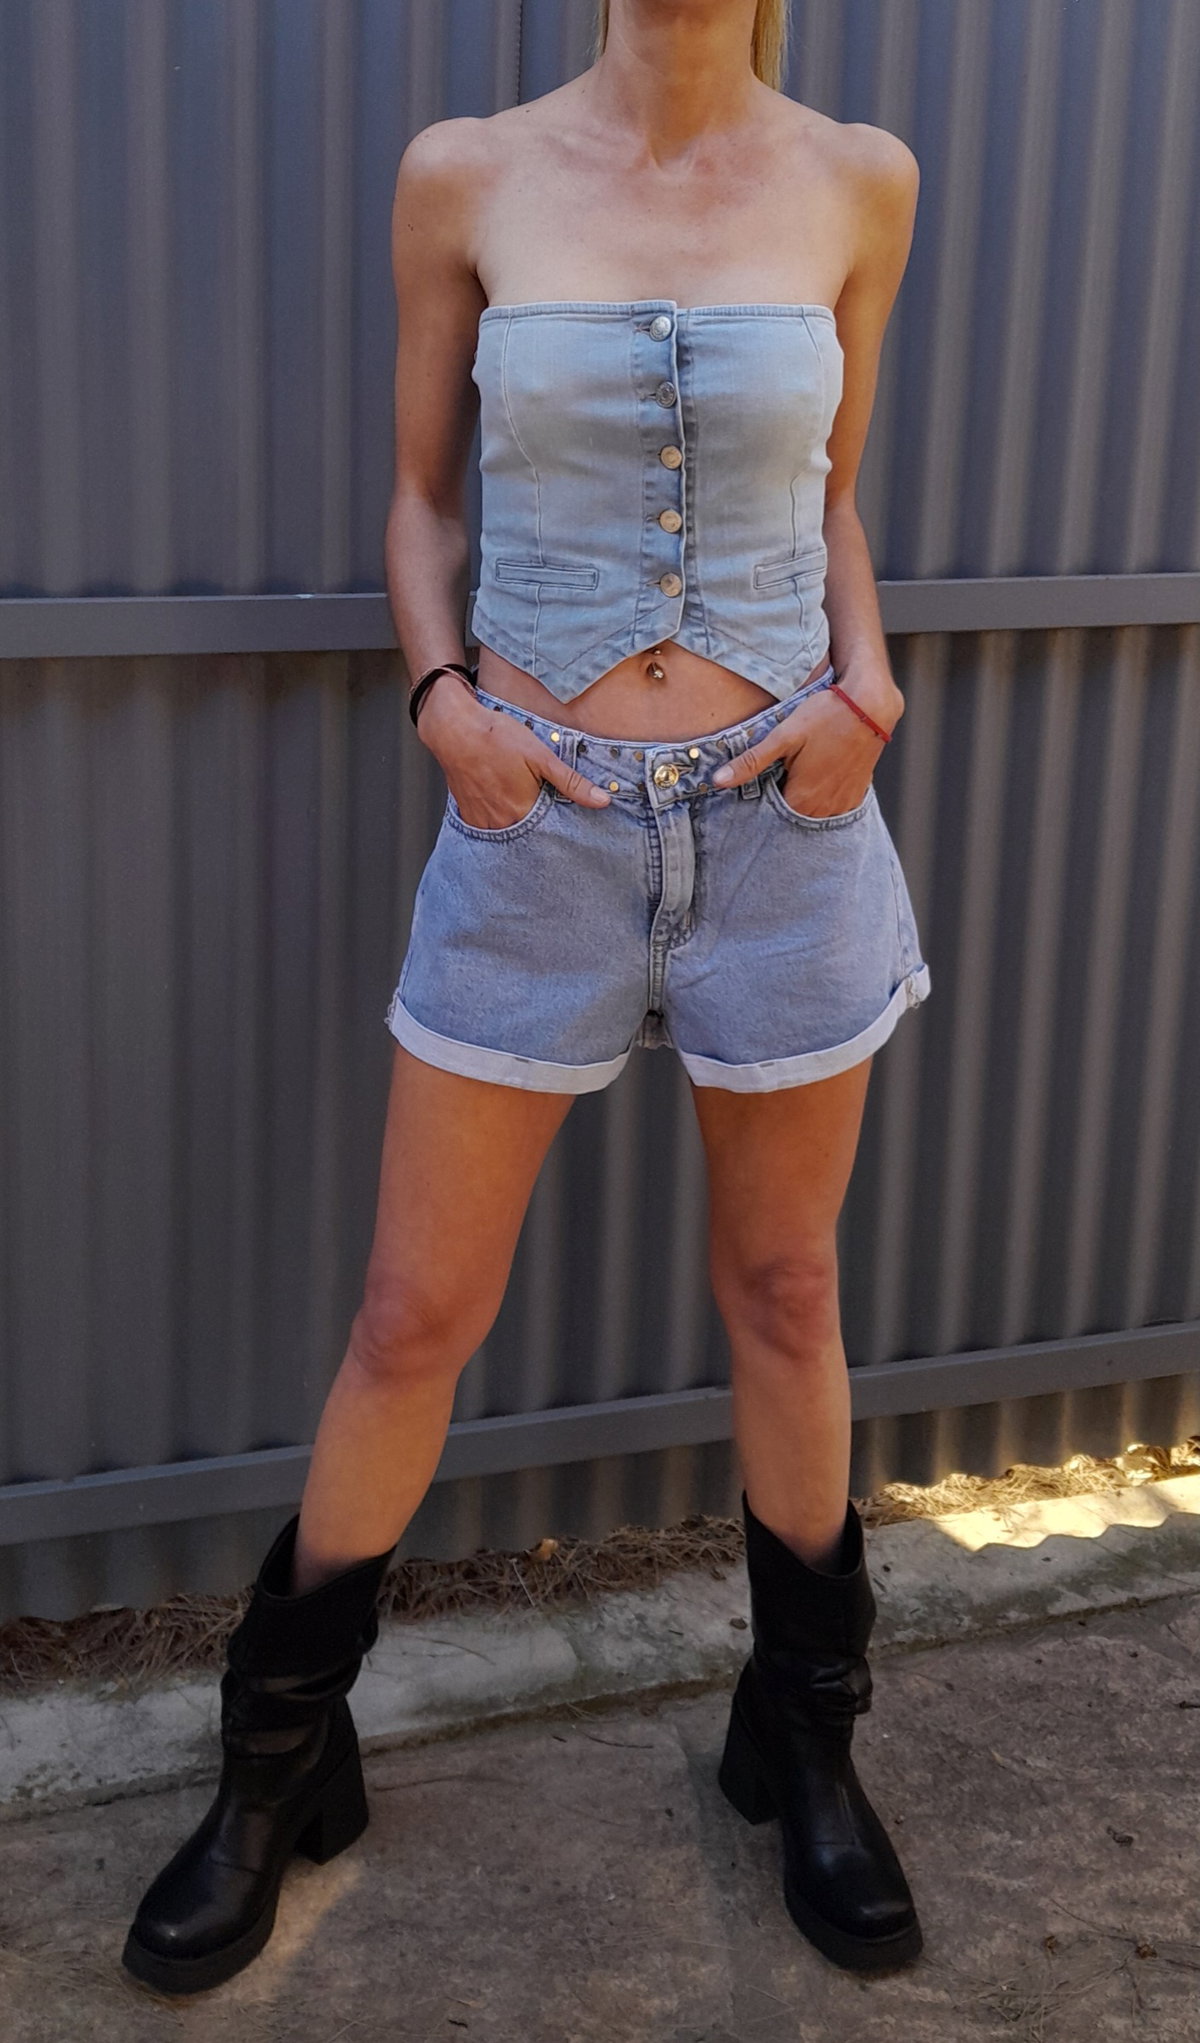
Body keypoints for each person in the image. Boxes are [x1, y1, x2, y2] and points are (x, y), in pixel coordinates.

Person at [122, 0, 931, 1995]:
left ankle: (803, 1739)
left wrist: (869, 685)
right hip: (536, 826)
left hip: (785, 825)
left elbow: (831, 491)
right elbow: (421, 498)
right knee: (413, 1316)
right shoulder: (467, 173)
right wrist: (442, 703)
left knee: (790, 1292)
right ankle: (278, 1760)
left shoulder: (861, 179)